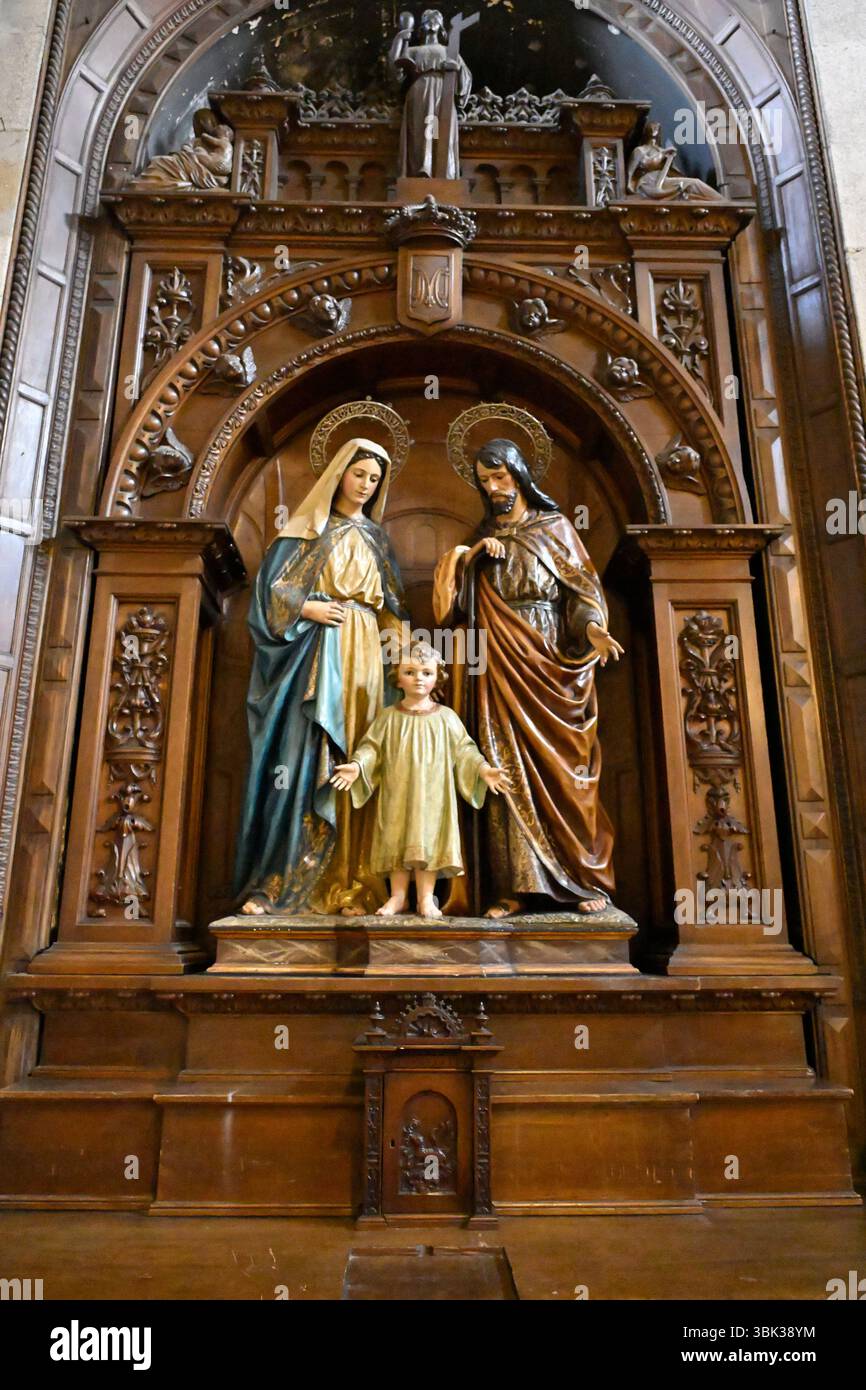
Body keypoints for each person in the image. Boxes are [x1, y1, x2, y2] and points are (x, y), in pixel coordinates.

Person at [433, 438, 623, 918]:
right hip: (497, 661)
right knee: (503, 767)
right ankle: (515, 889)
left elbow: (581, 592)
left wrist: (595, 629)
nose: (494, 488)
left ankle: (581, 882)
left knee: (566, 773)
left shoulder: (555, 528)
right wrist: (473, 556)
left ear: (519, 475)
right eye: (484, 481)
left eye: (500, 477)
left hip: (549, 655)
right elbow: (452, 612)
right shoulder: (484, 534)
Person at [233, 437, 408, 916]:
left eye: (374, 479)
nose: (366, 486)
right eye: (359, 475)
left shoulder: (377, 538)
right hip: (316, 654)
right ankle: (281, 881)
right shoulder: (304, 533)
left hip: (368, 656)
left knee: (363, 758)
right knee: (304, 755)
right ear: (339, 474)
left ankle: (356, 886)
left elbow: (391, 609)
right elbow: (268, 599)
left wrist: (405, 656)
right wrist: (302, 605)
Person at [330, 641, 510, 918]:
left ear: (437, 676)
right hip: (397, 792)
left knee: (429, 838)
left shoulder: (446, 718)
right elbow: (372, 748)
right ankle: (398, 897)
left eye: (426, 672)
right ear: (397, 677)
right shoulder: (388, 717)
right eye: (410, 672)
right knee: (396, 837)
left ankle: (427, 899)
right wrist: (357, 766)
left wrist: (484, 770)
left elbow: (465, 749)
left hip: (433, 795)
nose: (419, 679)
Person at [389, 9, 472, 179]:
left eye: (436, 19)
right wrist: (399, 39)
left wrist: (456, 69)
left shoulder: (450, 51)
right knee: (421, 129)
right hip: (420, 90)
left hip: (444, 92)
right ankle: (422, 166)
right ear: (421, 27)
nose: (432, 22)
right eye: (427, 19)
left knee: (437, 129)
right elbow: (394, 71)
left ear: (441, 28)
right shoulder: (412, 50)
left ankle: (440, 168)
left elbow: (466, 76)